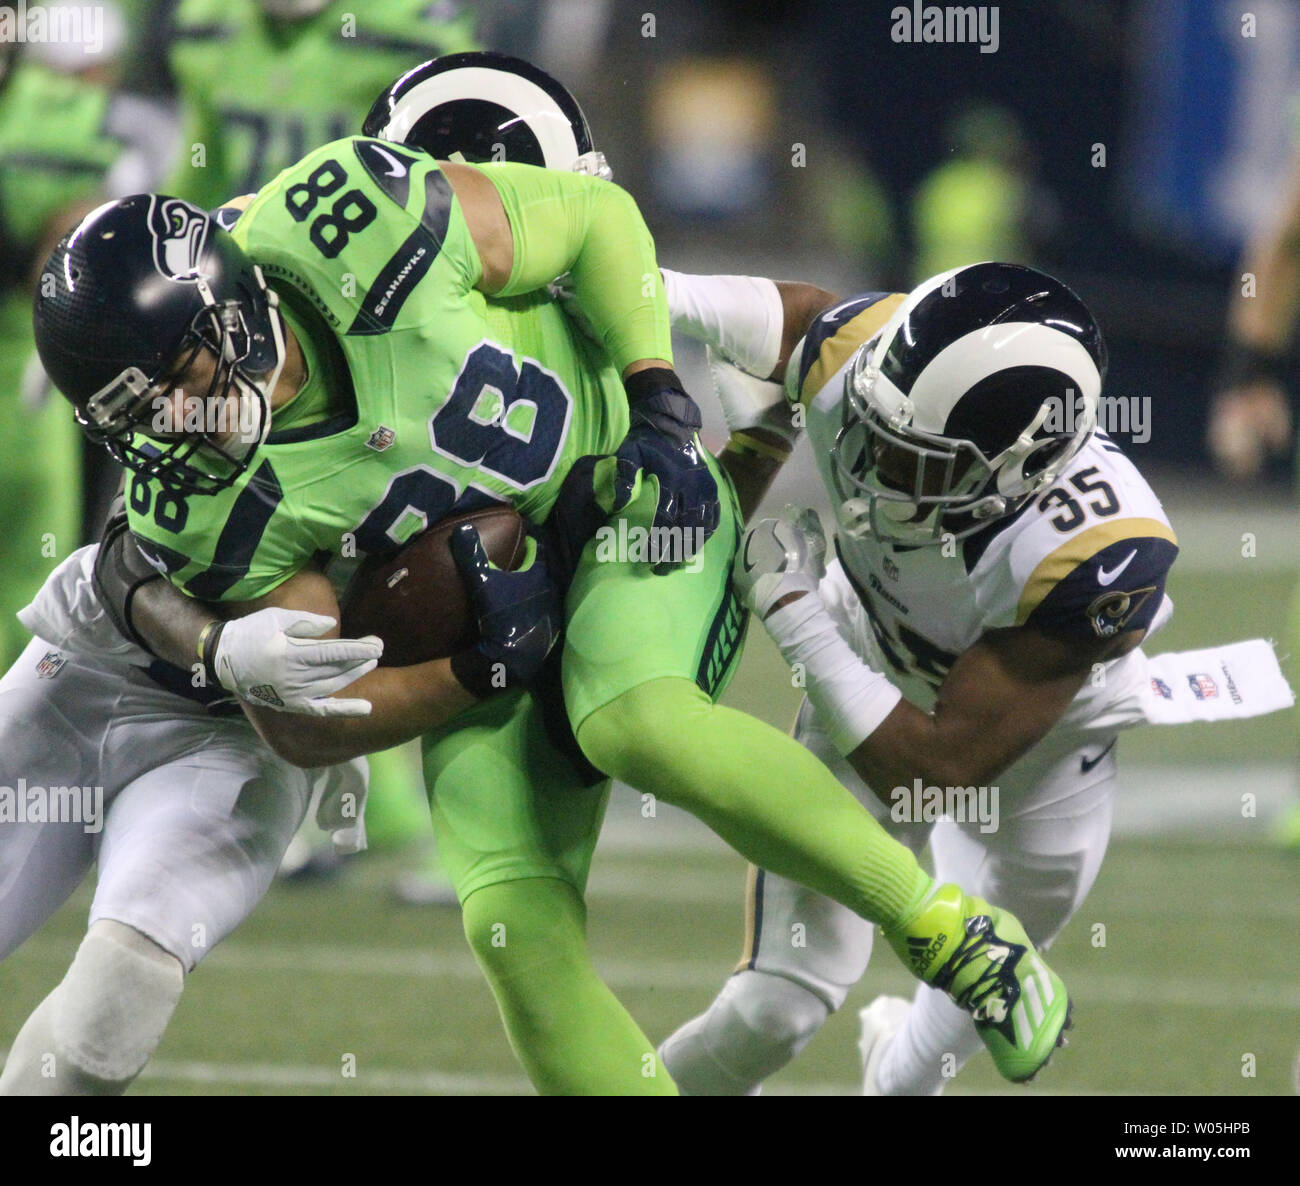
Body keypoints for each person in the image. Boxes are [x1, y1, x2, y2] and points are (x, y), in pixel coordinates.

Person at [31, 142, 1074, 1092]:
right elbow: (314, 716)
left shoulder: (351, 220)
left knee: (632, 718)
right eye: (137, 416)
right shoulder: (203, 498)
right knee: (508, 924)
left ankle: (952, 934)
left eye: (177, 385)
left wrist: (659, 395)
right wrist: (473, 672)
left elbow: (592, 219)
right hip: (487, 617)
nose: (174, 427)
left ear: (231, 310)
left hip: (630, 502)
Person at [657, 261, 1292, 1094]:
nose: (867, 459)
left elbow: (936, 767)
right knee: (774, 1009)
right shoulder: (869, 362)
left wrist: (792, 606)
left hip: (1040, 745)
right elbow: (770, 315)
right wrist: (626, 276)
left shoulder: (1099, 556)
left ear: (1016, 470)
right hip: (871, 668)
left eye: (910, 460)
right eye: (874, 427)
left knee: (962, 1016)